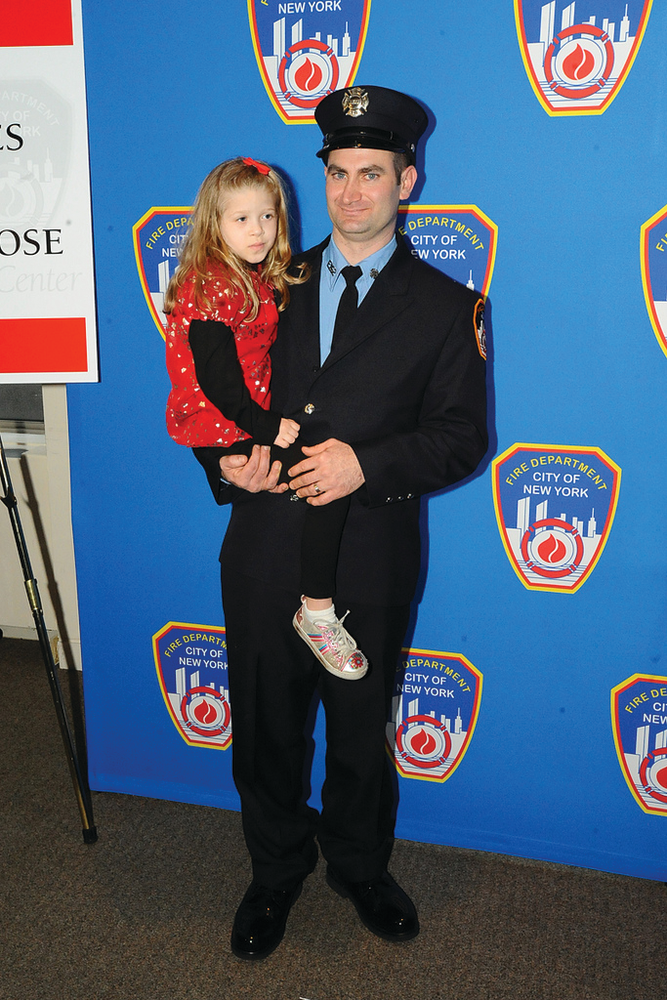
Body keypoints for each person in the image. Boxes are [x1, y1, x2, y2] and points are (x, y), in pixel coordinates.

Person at [194, 86, 488, 960]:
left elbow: (461, 438)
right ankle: (274, 868)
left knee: (361, 727)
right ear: (319, 179)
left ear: (408, 180)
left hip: (369, 553)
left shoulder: (446, 305)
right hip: (263, 545)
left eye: (371, 172)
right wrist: (222, 461)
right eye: (337, 172)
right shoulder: (259, 284)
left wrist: (368, 463)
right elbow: (210, 397)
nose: (351, 190)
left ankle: (359, 864)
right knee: (265, 721)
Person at [164, 156, 367, 679]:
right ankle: (317, 609)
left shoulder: (257, 276)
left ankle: (315, 605)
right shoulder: (213, 285)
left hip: (241, 421)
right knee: (322, 478)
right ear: (213, 225)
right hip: (224, 421)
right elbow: (215, 380)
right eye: (241, 219)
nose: (258, 231)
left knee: (315, 480)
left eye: (268, 217)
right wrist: (265, 428)